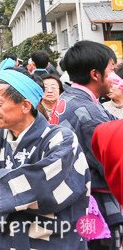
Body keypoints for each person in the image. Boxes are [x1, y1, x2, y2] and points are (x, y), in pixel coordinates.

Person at [0, 70, 91, 249]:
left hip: (53, 239)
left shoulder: (61, 139)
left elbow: (47, 192)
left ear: (26, 106)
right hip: (2, 240)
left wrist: (1, 176)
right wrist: (21, 189)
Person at [50, 41, 122, 249]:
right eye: (111, 70)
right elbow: (111, 162)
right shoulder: (88, 112)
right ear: (95, 74)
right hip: (96, 205)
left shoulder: (68, 98)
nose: (115, 77)